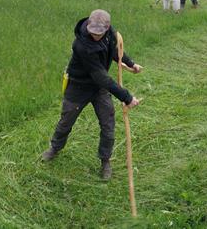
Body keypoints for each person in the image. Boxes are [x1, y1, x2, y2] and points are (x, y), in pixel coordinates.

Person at [42, 10, 142, 180]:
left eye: (99, 33)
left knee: (108, 123)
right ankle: (55, 148)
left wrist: (130, 63)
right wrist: (127, 97)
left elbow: (116, 51)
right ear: (88, 25)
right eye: (93, 31)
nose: (95, 35)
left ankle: (105, 160)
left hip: (99, 89)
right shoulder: (81, 45)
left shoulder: (111, 34)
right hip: (78, 87)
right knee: (66, 121)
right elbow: (101, 77)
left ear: (107, 28)